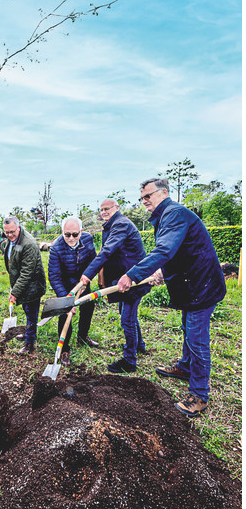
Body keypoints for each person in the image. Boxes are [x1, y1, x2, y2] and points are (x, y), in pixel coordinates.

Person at [117, 178, 226, 417]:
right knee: (188, 328)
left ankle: (199, 395)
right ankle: (186, 367)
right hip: (191, 284)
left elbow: (164, 250)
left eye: (148, 195)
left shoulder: (174, 213)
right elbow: (179, 251)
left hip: (202, 284)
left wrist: (132, 275)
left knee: (197, 338)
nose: (144, 201)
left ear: (164, 192)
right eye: (142, 197)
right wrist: (162, 271)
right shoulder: (166, 215)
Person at [80, 199, 151, 374]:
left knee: (127, 318)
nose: (104, 212)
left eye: (107, 209)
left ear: (117, 208)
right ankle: (139, 345)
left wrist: (87, 275)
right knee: (128, 315)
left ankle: (129, 360)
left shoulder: (121, 224)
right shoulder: (111, 225)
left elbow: (107, 251)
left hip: (133, 279)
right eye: (101, 209)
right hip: (124, 278)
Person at [48, 217, 99, 367]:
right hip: (64, 285)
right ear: (62, 232)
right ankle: (64, 350)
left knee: (88, 307)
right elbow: (54, 276)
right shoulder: (56, 247)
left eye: (75, 234)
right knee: (66, 314)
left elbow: (94, 262)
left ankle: (83, 337)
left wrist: (87, 278)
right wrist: (66, 299)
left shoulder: (88, 240)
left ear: (81, 232)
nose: (71, 238)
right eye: (67, 234)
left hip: (83, 281)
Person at [3, 216, 46, 354]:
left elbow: (27, 273)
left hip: (33, 285)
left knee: (31, 314)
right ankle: (28, 333)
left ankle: (29, 344)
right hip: (22, 283)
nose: (9, 235)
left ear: (19, 228)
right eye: (7, 232)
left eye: (12, 232)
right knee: (26, 310)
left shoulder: (29, 244)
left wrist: (14, 292)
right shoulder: (12, 240)